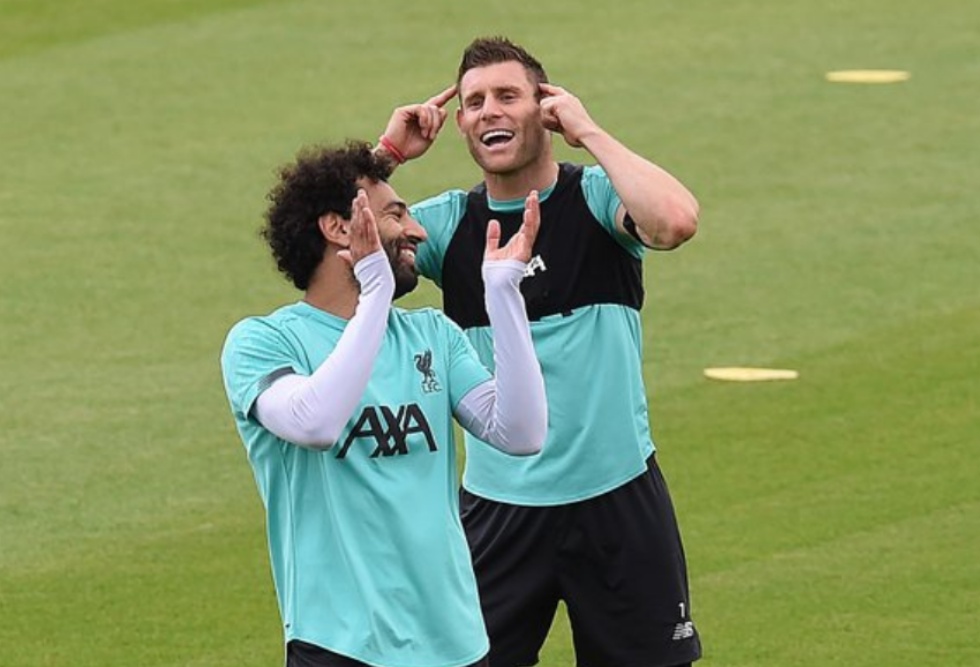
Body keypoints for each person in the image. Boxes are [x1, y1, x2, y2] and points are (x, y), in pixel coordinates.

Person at [375, 36, 703, 667]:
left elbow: (675, 222)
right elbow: (332, 247)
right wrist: (386, 156)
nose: (489, 111)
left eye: (507, 96)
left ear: (545, 108)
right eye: (473, 102)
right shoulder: (446, 226)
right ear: (460, 125)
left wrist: (591, 133)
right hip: (498, 514)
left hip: (618, 501)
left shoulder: (598, 199)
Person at [219, 140, 548, 667]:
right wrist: (373, 295)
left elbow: (522, 433)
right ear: (338, 228)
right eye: (396, 214)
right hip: (343, 646)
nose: (417, 230)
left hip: (459, 644)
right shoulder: (263, 343)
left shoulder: (432, 334)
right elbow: (315, 421)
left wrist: (505, 296)